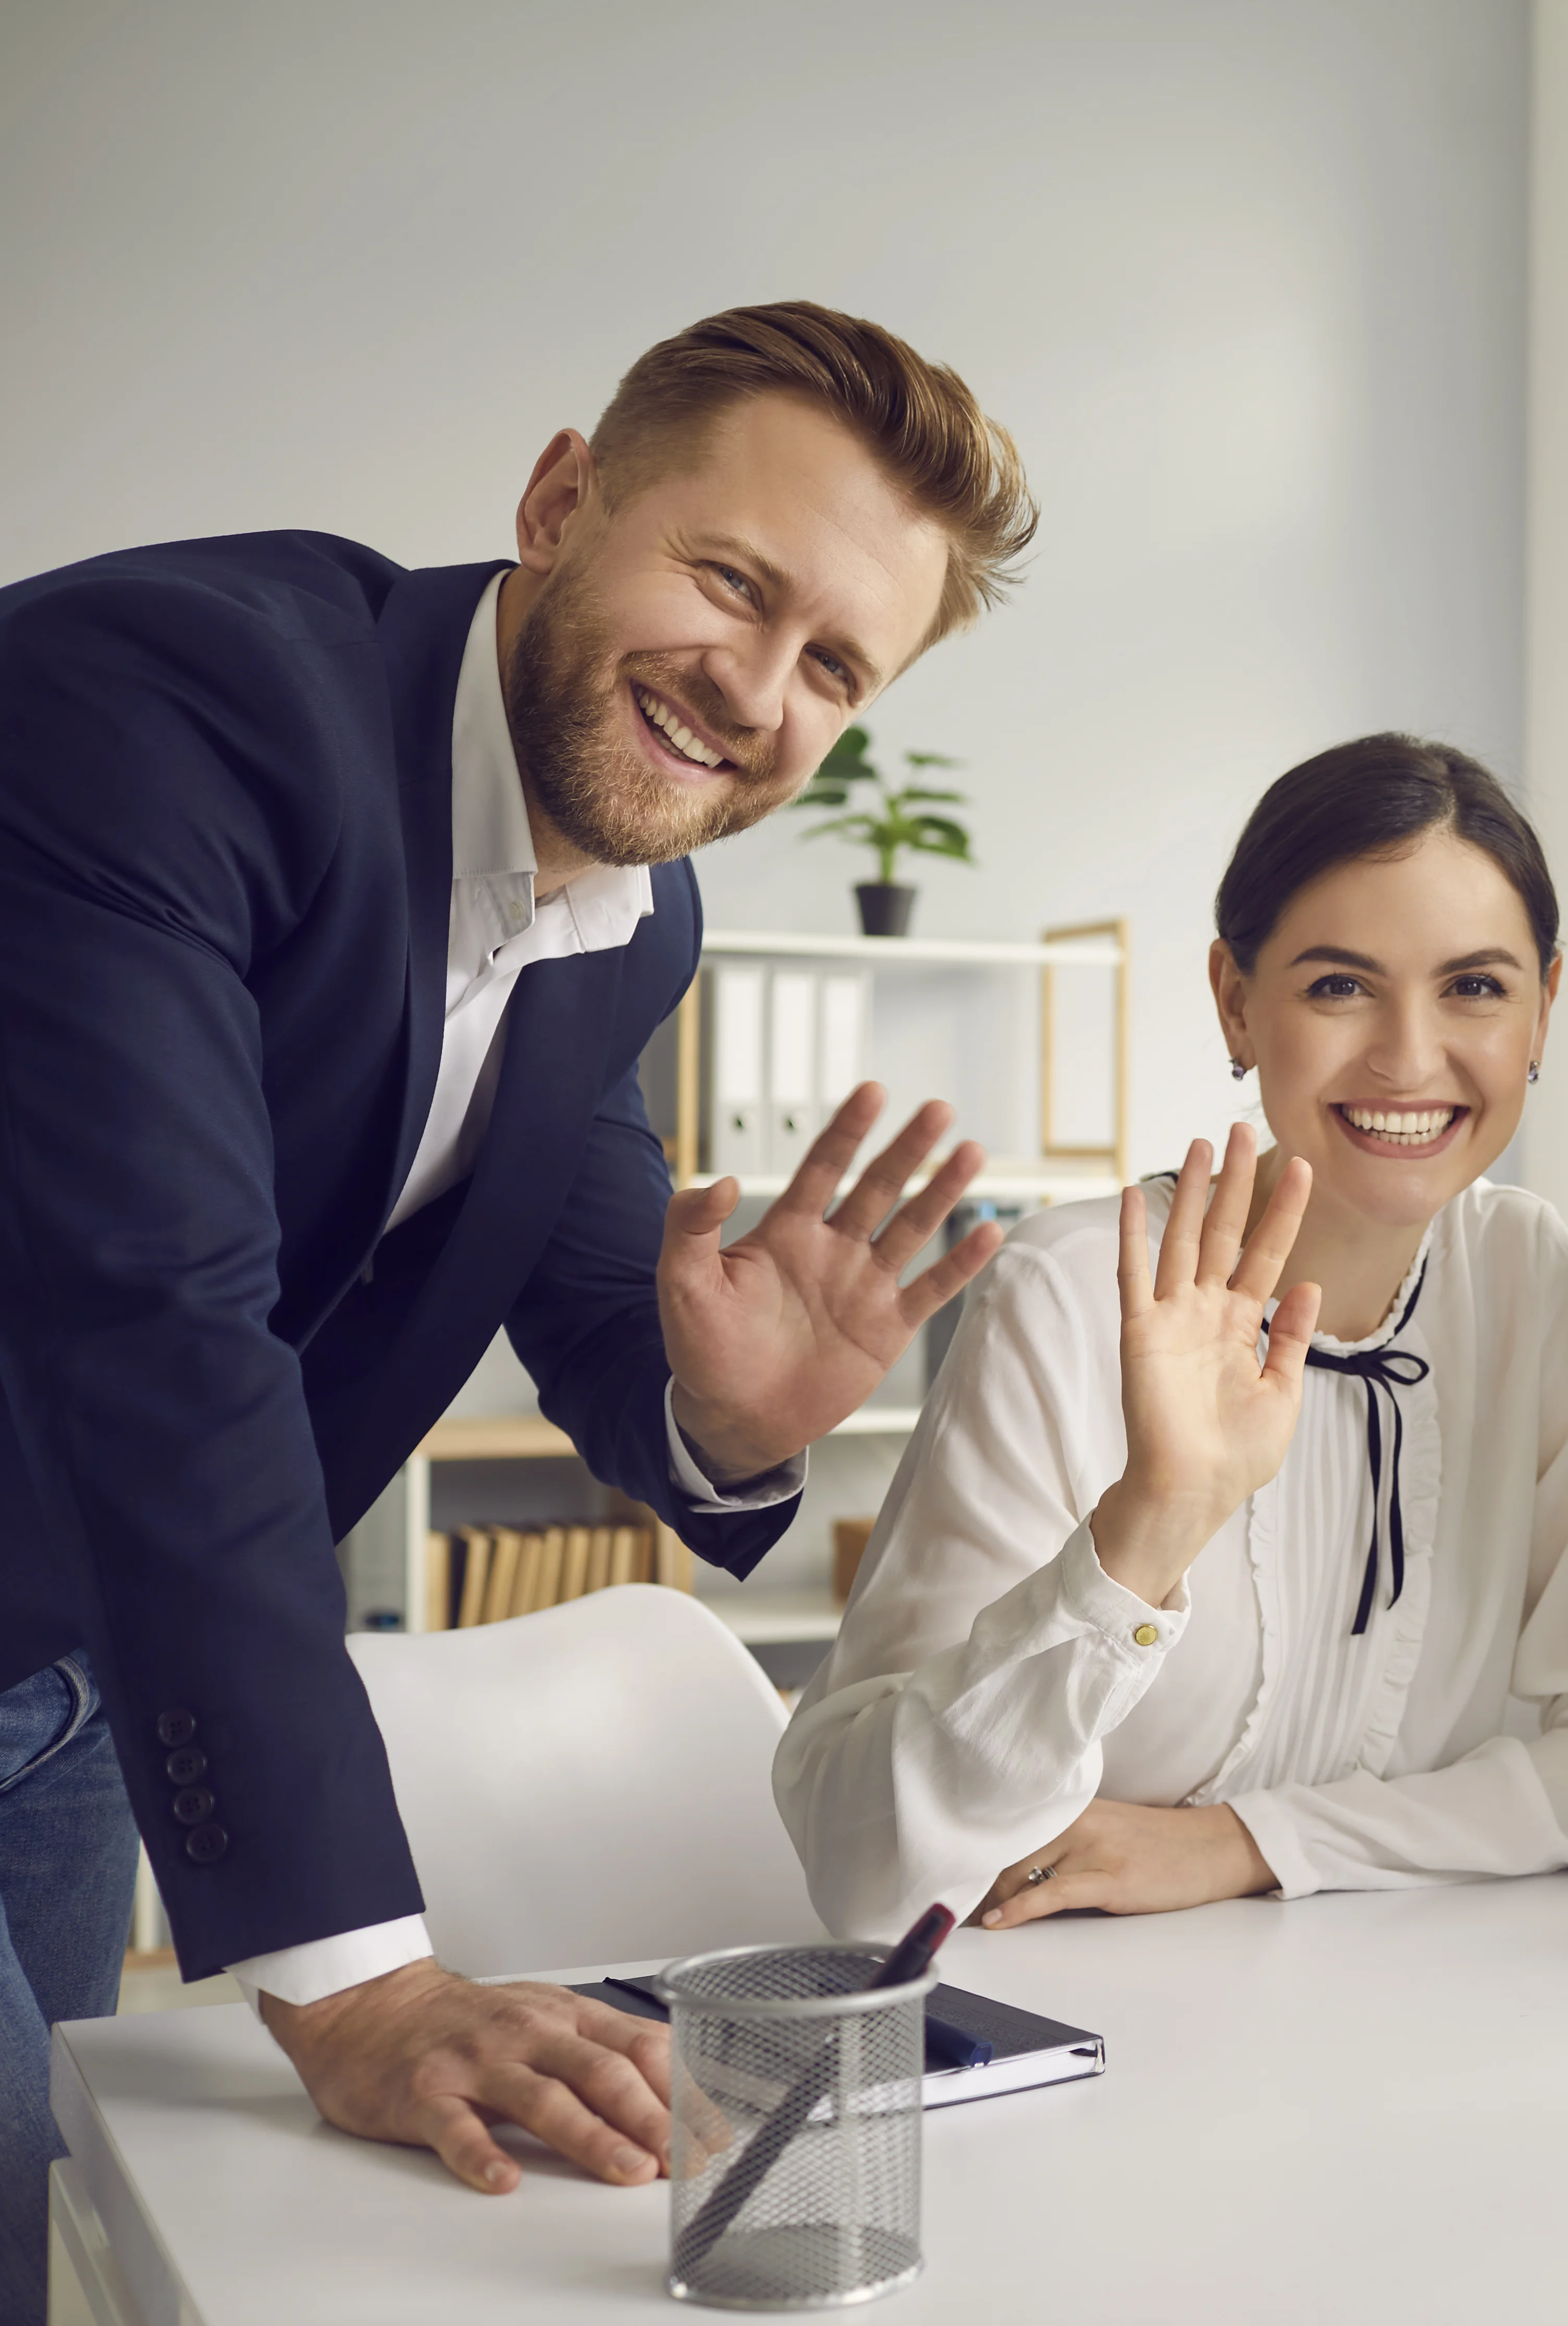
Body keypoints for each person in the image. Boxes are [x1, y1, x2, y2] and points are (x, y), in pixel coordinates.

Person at [0, 300, 1032, 2304]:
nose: (755, 690)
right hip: (93, 1549)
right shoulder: (161, 704)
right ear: (564, 500)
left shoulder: (633, 915)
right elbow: (155, 1315)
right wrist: (362, 1983)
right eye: (731, 583)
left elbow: (585, 1261)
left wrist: (726, 1415)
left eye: (836, 666)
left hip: (86, 1676)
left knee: (58, 2240)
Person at [776, 736, 1568, 1937]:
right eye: (1338, 985)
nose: (1408, 1054)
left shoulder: (1519, 1272)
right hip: (1083, 2038)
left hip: (1404, 2014)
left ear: (1545, 1004)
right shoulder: (1069, 1291)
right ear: (1236, 999)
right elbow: (872, 1867)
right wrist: (1152, 1522)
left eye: (1475, 987)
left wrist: (1252, 1844)